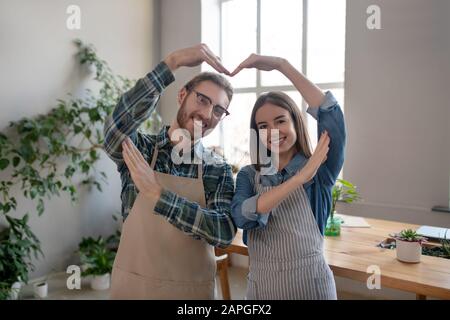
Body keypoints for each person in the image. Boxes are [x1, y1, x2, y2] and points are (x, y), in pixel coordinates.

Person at [103, 44, 237, 299]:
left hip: (190, 294)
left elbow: (223, 231)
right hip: (133, 290)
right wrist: (172, 62)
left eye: (219, 110)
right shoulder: (140, 149)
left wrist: (159, 196)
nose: (208, 114)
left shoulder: (217, 169)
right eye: (202, 99)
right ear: (181, 95)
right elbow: (114, 129)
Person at [231, 54, 346, 300]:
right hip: (263, 290)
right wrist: (297, 180)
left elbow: (331, 114)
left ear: (296, 121)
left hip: (312, 287)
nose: (272, 131)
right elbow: (242, 216)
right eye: (263, 126)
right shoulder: (249, 176)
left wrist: (282, 66)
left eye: (280, 121)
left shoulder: (320, 170)